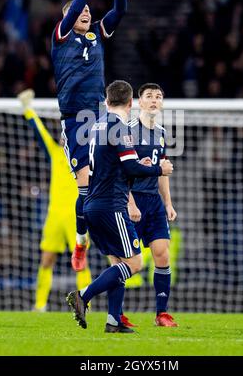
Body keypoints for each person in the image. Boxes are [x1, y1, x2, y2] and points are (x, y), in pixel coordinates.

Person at [66, 80, 173, 333]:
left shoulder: (97, 125)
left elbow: (119, 164)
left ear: (106, 101)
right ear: (131, 103)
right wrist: (159, 168)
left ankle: (114, 321)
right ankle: (83, 295)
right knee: (135, 264)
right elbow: (129, 167)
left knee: (118, 264)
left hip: (92, 203)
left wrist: (141, 164)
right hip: (112, 205)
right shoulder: (121, 127)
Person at [51, 0, 127, 272]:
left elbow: (119, 12)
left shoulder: (96, 34)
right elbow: (72, 10)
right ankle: (80, 243)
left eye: (86, 10)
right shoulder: (61, 37)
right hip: (77, 122)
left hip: (100, 118)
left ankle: (118, 237)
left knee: (111, 179)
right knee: (84, 185)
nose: (84, 12)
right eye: (78, 9)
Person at [17, 89, 92, 311]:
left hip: (77, 216)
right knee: (46, 260)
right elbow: (39, 132)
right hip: (54, 216)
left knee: (81, 263)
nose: (62, 137)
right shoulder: (55, 153)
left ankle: (85, 303)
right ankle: (39, 306)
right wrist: (28, 110)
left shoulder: (85, 155)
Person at [127, 83, 178, 326]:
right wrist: (129, 203)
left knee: (162, 253)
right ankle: (116, 313)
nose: (154, 100)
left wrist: (168, 203)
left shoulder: (161, 132)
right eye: (149, 96)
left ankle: (161, 313)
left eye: (159, 96)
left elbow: (162, 172)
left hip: (154, 203)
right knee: (127, 262)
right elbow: (121, 171)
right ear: (139, 101)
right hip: (132, 199)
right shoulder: (127, 131)